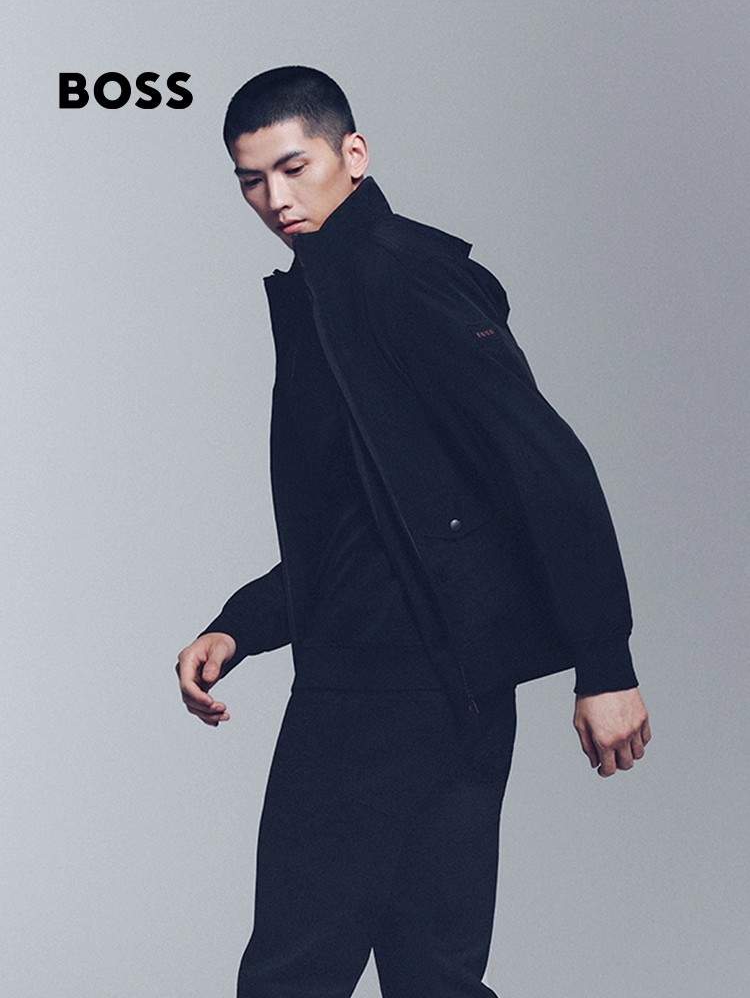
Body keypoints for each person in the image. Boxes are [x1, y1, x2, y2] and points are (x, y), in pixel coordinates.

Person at [175, 66, 651, 998]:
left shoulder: (396, 277)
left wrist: (606, 664)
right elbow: (371, 517)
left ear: (352, 155)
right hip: (441, 678)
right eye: (251, 181)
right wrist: (244, 624)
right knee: (435, 975)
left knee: (295, 973)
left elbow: (544, 462)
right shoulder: (332, 289)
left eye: (294, 168)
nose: (276, 200)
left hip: (380, 687)